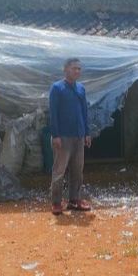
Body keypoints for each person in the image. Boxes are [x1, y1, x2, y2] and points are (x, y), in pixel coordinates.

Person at [48, 58, 92, 216]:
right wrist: (55, 135)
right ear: (65, 69)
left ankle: (74, 200)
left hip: (79, 136)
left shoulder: (81, 89)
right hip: (63, 136)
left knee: (77, 170)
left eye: (79, 69)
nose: (77, 71)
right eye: (74, 68)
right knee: (59, 170)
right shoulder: (57, 88)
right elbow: (53, 113)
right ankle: (56, 202)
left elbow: (84, 112)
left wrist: (87, 132)